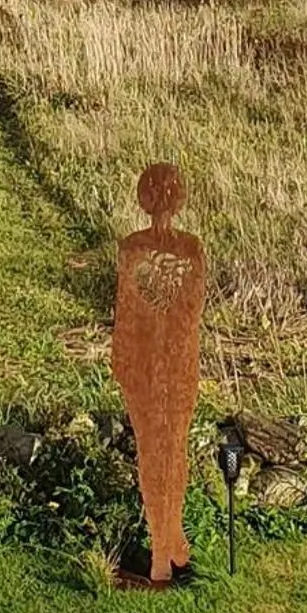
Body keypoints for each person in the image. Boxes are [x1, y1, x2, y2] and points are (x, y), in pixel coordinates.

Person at [111, 161, 206, 583]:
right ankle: (166, 545)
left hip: (154, 363)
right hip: (170, 363)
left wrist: (124, 363)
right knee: (171, 449)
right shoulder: (188, 248)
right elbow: (186, 314)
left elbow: (130, 315)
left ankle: (166, 546)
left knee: (157, 451)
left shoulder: (137, 248)